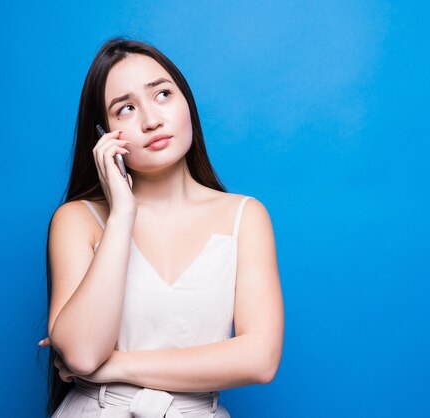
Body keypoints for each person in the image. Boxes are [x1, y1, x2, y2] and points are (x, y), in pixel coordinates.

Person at [38, 38, 284, 417]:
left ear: (187, 102)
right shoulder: (78, 219)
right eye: (126, 109)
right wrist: (122, 214)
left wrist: (118, 366)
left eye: (163, 94)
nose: (151, 120)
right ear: (104, 135)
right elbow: (83, 354)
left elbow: (260, 359)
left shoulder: (245, 216)